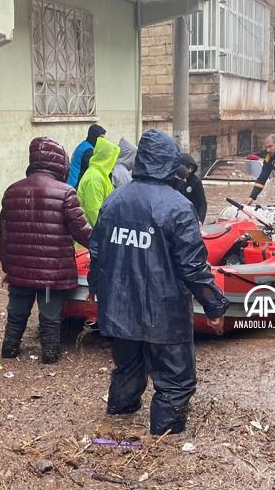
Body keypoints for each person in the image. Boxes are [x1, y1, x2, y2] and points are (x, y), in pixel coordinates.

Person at [89, 130, 228, 436]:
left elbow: (96, 252)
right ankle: (164, 437)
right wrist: (214, 305)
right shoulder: (178, 206)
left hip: (120, 306)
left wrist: (95, 291)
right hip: (164, 311)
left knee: (127, 366)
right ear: (169, 163)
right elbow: (193, 266)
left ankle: (119, 417)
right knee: (176, 379)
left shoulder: (115, 199)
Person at [0, 138, 93, 364]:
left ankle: (9, 349)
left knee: (17, 312)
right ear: (60, 163)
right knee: (50, 314)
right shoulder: (66, 193)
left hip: (20, 271)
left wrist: (8, 267)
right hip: (52, 272)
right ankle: (50, 354)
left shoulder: (11, 191)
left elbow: (5, 234)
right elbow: (82, 232)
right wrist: (104, 246)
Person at [76, 137, 120, 227]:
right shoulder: (94, 177)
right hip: (90, 235)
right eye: (113, 158)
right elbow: (93, 210)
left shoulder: (102, 174)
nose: (114, 163)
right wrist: (105, 231)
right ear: (106, 158)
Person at [177, 153, 208, 223]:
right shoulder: (174, 180)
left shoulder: (196, 181)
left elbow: (202, 203)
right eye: (188, 168)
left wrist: (200, 220)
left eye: (192, 168)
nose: (190, 171)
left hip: (193, 217)